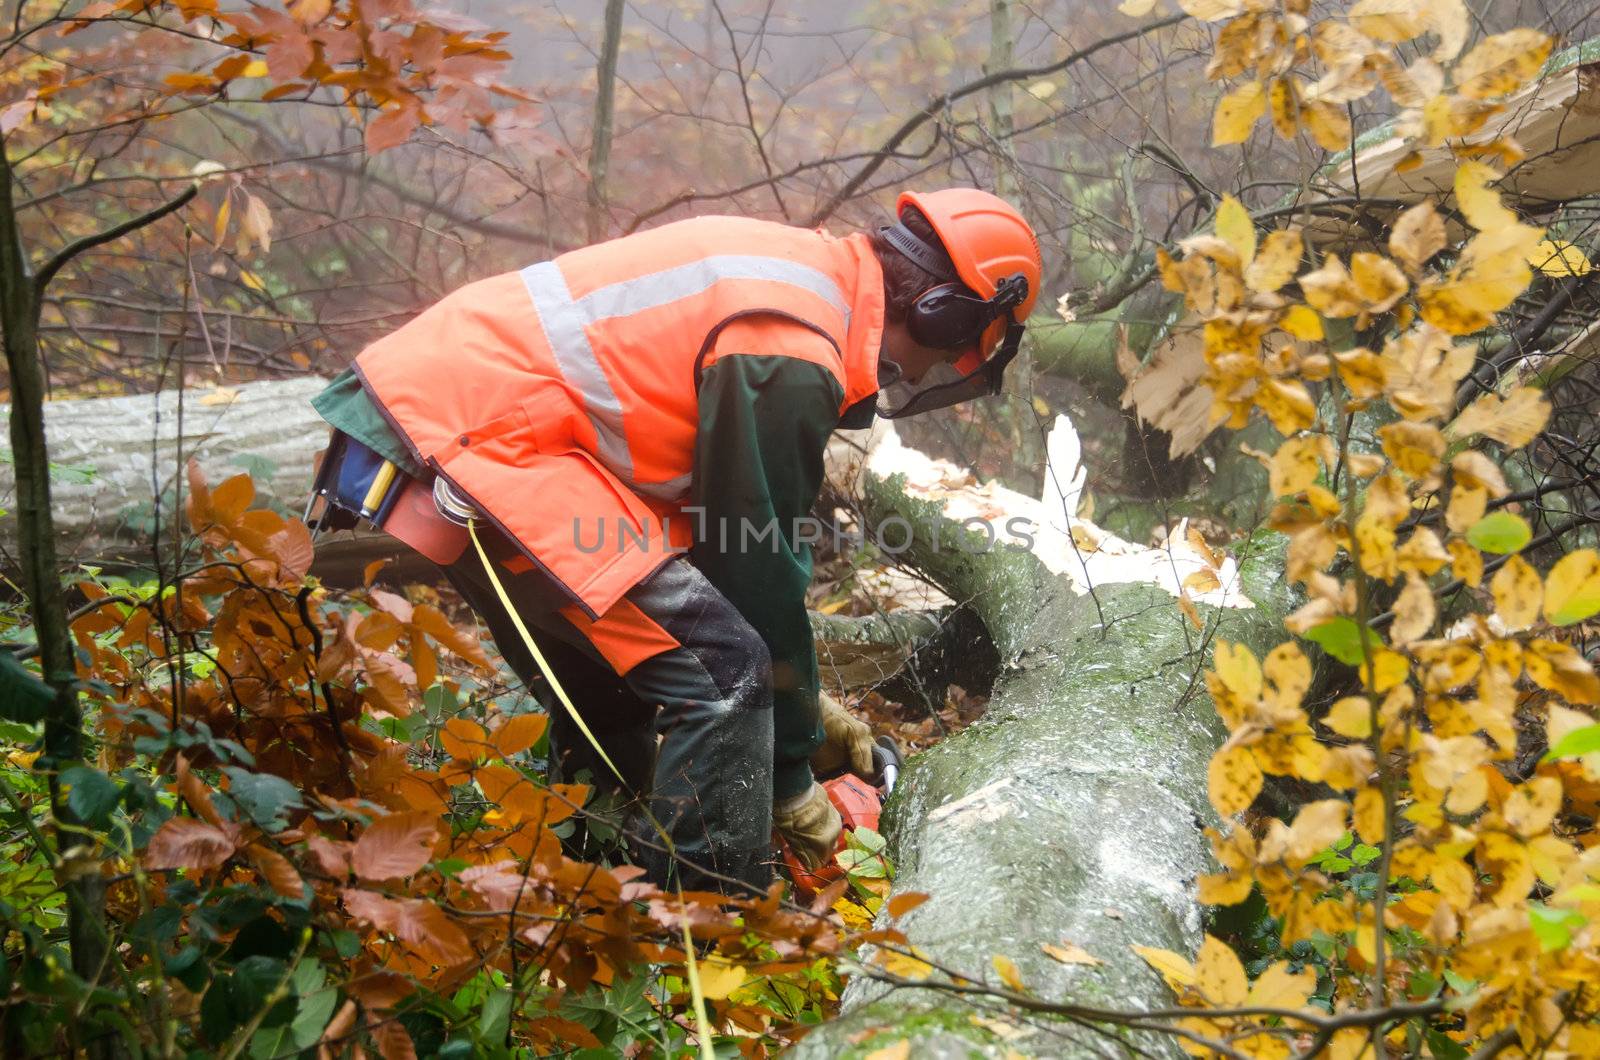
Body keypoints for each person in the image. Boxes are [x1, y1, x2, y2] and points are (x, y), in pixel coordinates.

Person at [307, 188, 1042, 894]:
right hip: (483, 435)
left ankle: (592, 890)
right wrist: (788, 776)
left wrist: (808, 718)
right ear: (942, 313)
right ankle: (713, 931)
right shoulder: (792, 348)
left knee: (626, 675)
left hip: (457, 417)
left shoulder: (808, 282)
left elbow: (712, 538)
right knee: (721, 670)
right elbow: (752, 562)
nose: (928, 372)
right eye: (949, 356)